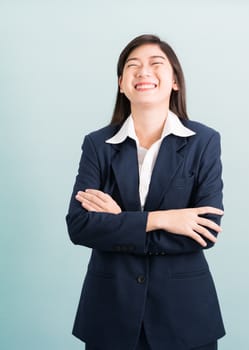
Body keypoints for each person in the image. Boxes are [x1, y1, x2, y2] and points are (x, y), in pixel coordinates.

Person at [66, 34, 225, 350]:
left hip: (185, 315)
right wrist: (163, 219)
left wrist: (119, 224)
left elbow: (204, 231)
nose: (143, 72)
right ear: (121, 84)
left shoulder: (204, 142)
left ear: (175, 81)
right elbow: (81, 226)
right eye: (133, 66)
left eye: (156, 64)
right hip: (110, 312)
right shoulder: (97, 145)